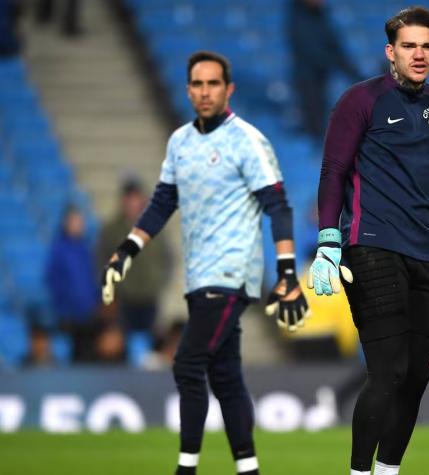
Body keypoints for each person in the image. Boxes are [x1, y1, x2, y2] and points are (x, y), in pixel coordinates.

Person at [307, 8, 429, 475]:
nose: (420, 54)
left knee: (416, 376)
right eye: (410, 46)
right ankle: (358, 472)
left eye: (428, 46)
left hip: (423, 254)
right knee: (389, 369)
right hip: (369, 247)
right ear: (390, 51)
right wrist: (329, 243)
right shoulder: (360, 101)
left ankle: (388, 472)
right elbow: (333, 171)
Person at [100, 51, 308, 475]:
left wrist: (286, 273)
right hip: (199, 277)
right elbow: (162, 203)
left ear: (228, 89)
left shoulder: (247, 140)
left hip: (231, 273)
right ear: (188, 90)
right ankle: (248, 469)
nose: (205, 91)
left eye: (214, 83)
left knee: (187, 363)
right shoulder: (180, 142)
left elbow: (278, 206)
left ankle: (186, 469)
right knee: (226, 376)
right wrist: (127, 250)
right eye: (197, 83)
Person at [97, 178, 171, 332]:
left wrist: (158, 281)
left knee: (151, 340)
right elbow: (101, 259)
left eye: (136, 198)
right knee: (125, 340)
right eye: (129, 198)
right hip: (124, 298)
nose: (133, 202)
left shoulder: (154, 227)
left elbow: (167, 258)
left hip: (150, 295)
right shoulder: (111, 230)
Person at [287, 0, 362, 139]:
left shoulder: (322, 17)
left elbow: (335, 47)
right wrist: (334, 63)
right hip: (308, 79)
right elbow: (310, 50)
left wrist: (354, 73)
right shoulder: (298, 19)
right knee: (314, 123)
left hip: (322, 76)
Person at [45, 205, 99, 361]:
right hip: (67, 315)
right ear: (66, 223)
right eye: (74, 221)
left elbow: (92, 277)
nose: (78, 225)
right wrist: (64, 303)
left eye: (80, 221)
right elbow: (53, 280)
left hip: (88, 313)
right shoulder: (59, 250)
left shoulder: (86, 249)